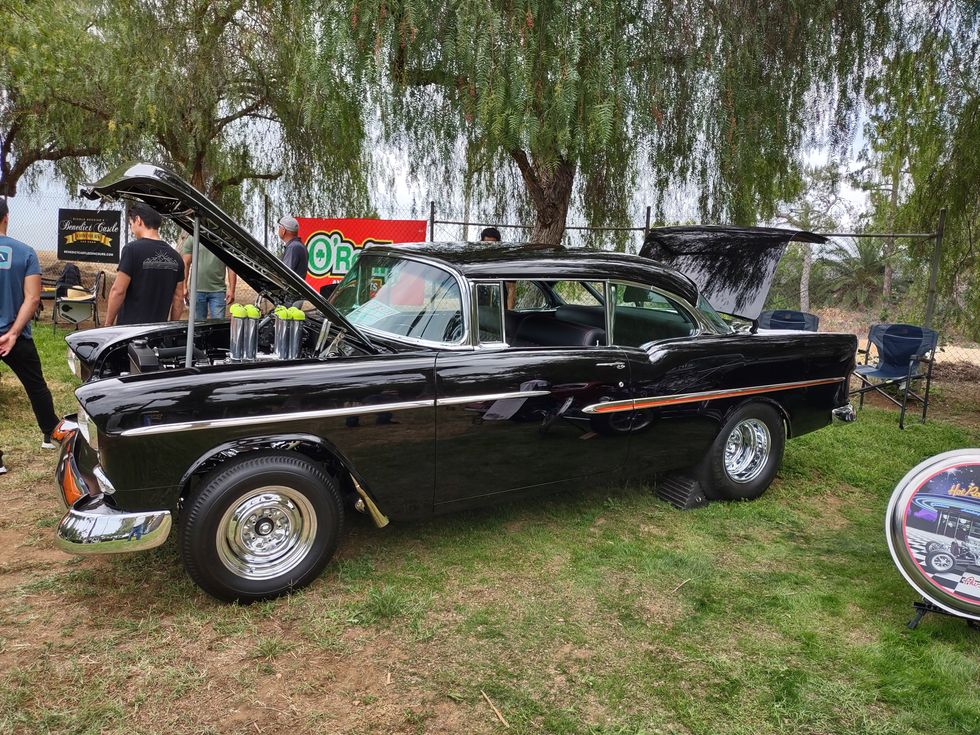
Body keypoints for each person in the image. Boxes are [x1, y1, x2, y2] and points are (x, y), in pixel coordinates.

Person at [0, 198, 65, 463]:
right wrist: (14, 332)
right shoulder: (26, 252)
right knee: (36, 386)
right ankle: (51, 433)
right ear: (6, 217)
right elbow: (33, 299)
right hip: (17, 337)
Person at [105, 203, 184, 326]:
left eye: (131, 224)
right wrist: (171, 328)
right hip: (158, 331)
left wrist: (107, 325)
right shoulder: (176, 257)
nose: (131, 229)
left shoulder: (131, 250)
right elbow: (179, 298)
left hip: (130, 332)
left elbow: (118, 291)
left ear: (138, 220)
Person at [180, 232, 237, 319]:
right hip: (197, 290)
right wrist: (184, 287)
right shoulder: (193, 238)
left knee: (217, 326)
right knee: (198, 327)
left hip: (218, 291)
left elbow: (231, 267)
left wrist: (232, 290)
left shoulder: (224, 241)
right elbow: (185, 264)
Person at [479, 227, 515, 308]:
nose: (490, 247)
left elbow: (511, 289)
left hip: (500, 307)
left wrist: (509, 314)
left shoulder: (504, 262)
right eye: (486, 244)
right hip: (479, 305)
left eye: (493, 244)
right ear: (481, 243)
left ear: (499, 244)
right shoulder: (477, 261)